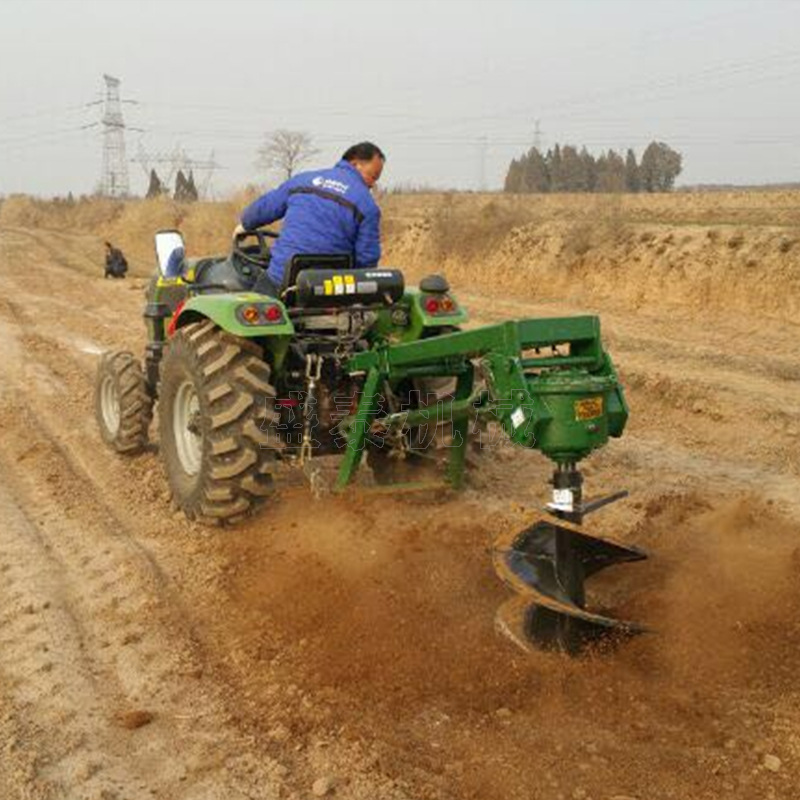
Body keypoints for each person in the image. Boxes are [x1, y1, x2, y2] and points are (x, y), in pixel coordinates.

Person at [235, 142, 385, 295]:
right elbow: (366, 259)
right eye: (373, 176)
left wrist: (244, 225)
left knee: (254, 303)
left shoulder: (303, 181)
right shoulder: (367, 205)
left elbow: (264, 208)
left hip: (280, 279)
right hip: (328, 291)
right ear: (355, 164)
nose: (373, 184)